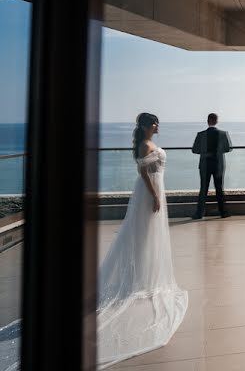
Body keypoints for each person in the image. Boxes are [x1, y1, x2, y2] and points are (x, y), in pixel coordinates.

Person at [0, 113, 189, 369]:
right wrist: (155, 195)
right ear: (146, 126)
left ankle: (145, 275)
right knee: (140, 234)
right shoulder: (144, 145)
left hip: (156, 189)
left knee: (149, 236)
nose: (158, 126)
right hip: (149, 192)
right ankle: (139, 277)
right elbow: (143, 172)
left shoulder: (148, 143)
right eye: (154, 122)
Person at [191, 112, 233, 219]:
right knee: (219, 188)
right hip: (218, 164)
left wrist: (205, 152)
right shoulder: (223, 134)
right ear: (216, 121)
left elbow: (195, 150)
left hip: (205, 165)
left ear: (207, 121)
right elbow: (228, 148)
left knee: (203, 189)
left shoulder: (201, 134)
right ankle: (223, 212)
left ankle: (199, 213)